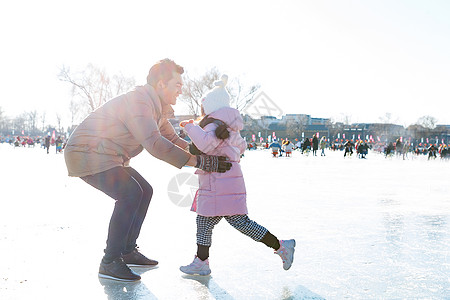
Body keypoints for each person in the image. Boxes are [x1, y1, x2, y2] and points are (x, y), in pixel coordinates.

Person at [63, 59, 232, 282]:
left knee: (144, 190)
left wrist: (205, 153)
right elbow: (155, 144)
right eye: (177, 85)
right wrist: (201, 163)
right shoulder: (139, 102)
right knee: (130, 193)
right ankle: (110, 261)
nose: (181, 90)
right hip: (86, 153)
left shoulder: (157, 108)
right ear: (161, 84)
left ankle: (127, 250)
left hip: (107, 155)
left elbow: (172, 138)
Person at [178, 75, 295, 276]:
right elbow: (237, 146)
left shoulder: (214, 124)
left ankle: (281, 246)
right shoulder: (227, 126)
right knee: (206, 222)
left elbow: (206, 144)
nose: (202, 110)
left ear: (211, 107)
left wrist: (190, 127)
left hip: (219, 183)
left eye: (204, 106)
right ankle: (201, 261)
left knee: (236, 222)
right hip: (222, 182)